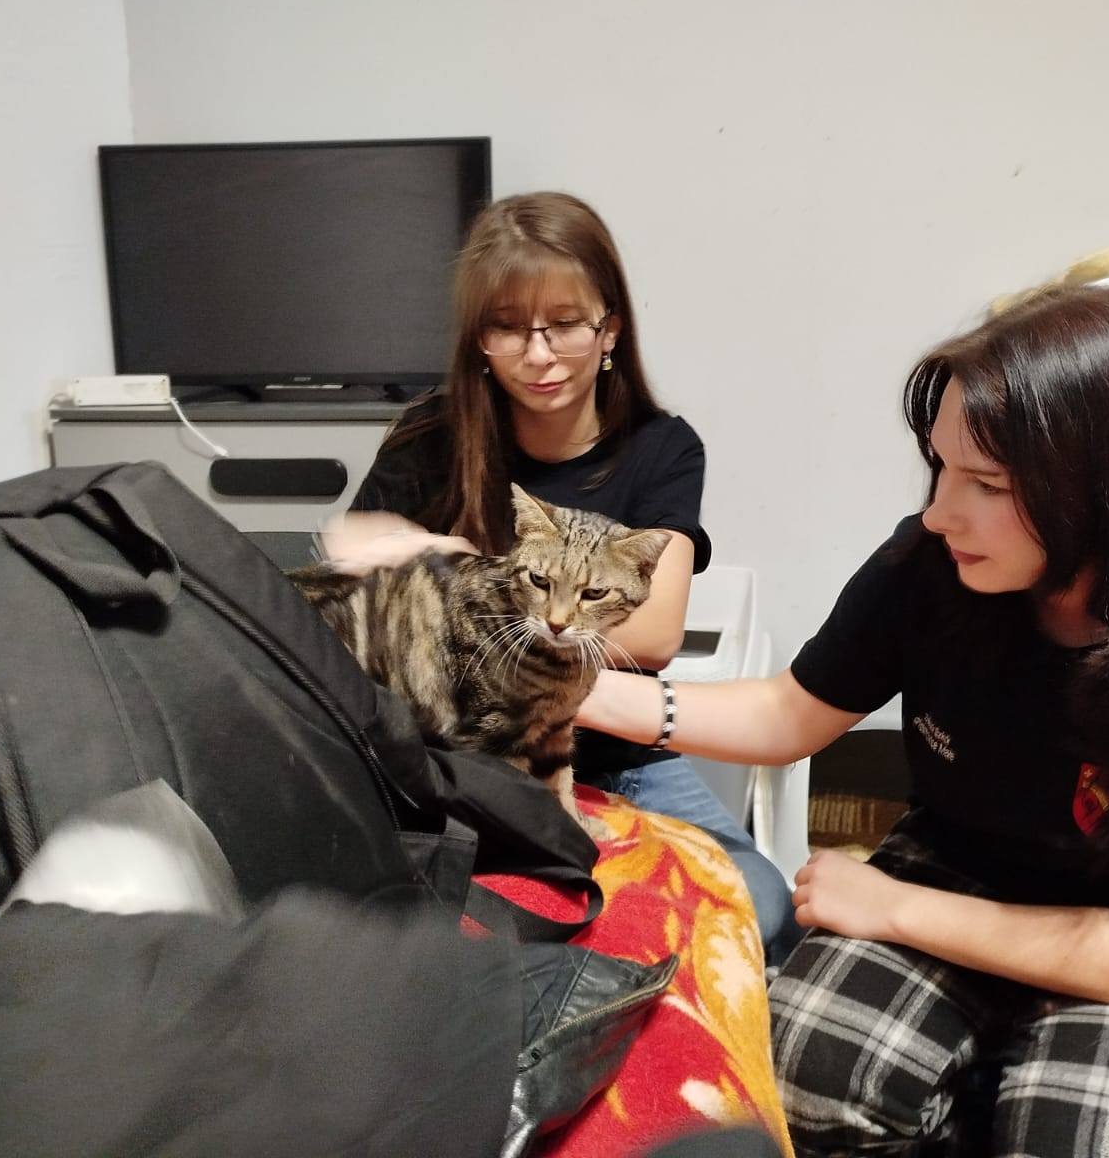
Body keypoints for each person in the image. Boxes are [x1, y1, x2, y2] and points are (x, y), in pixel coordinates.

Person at [576, 286, 1109, 1157]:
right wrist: (582, 690)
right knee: (804, 1069)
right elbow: (789, 711)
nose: (938, 512)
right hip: (964, 862)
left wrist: (894, 907)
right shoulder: (934, 566)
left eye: (987, 484)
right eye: (941, 468)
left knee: (1108, 1140)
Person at [326, 190, 803, 965]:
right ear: (479, 339)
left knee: (763, 903)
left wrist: (455, 579)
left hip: (614, 753)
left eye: (565, 324)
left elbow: (654, 634)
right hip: (453, 750)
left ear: (609, 328)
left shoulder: (661, 449)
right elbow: (348, 563)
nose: (539, 354)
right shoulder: (429, 435)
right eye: (508, 327)